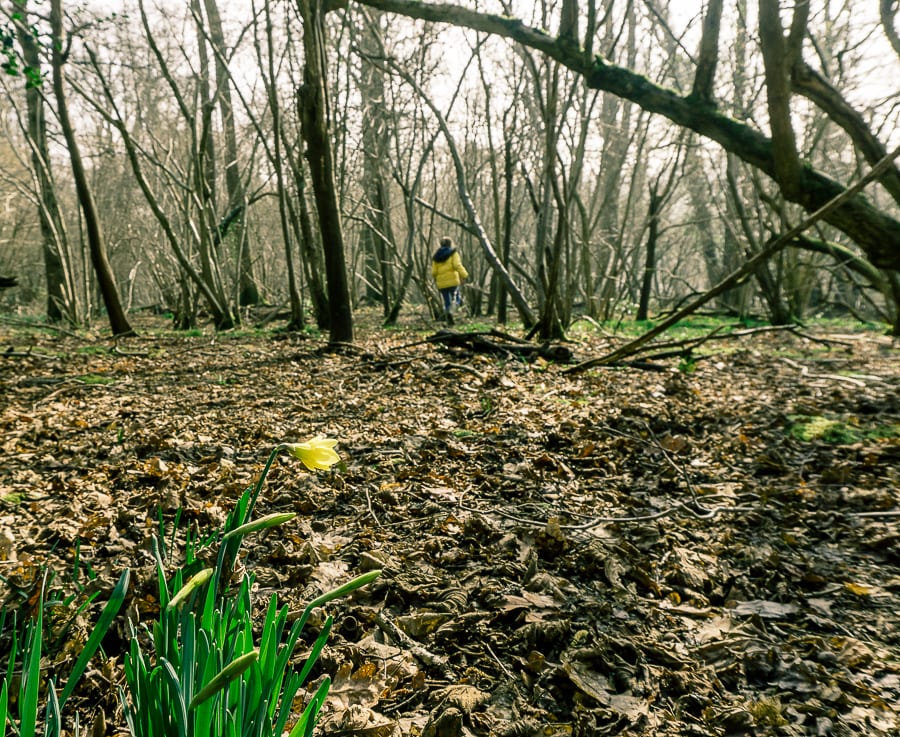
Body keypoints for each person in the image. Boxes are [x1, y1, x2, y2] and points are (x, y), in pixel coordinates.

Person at [431, 236, 468, 325]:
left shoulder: (436, 256)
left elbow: (434, 272)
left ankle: (449, 319)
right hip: (453, 281)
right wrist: (464, 274)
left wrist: (436, 279)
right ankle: (451, 312)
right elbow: (457, 265)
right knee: (457, 299)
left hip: (441, 283)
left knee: (447, 301)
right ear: (450, 244)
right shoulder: (453, 253)